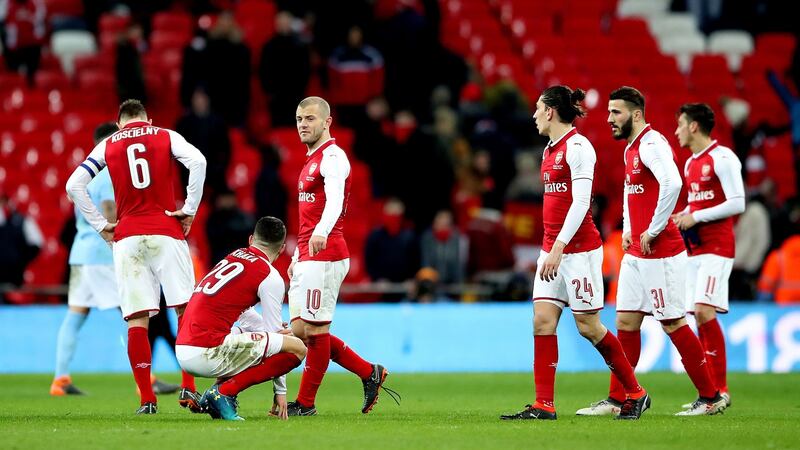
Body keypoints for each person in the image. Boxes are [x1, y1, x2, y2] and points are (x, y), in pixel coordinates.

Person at [500, 86, 649, 421]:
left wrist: (559, 247)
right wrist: (551, 248)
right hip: (552, 250)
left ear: (551, 111)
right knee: (542, 321)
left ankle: (636, 393)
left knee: (588, 326)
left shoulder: (579, 147)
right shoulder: (549, 150)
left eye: (538, 108)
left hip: (578, 252)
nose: (534, 114)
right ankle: (543, 405)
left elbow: (583, 203)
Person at [577, 87, 726, 417]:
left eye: (616, 112)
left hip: (662, 252)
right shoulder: (632, 148)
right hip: (638, 252)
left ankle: (711, 396)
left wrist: (654, 228)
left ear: (637, 114)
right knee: (626, 322)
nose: (609, 119)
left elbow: (673, 183)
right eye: (608, 112)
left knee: (673, 323)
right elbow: (634, 194)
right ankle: (620, 398)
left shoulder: (652, 143)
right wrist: (630, 227)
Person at [65, 99, 207, 414]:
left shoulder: (108, 144)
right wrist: (189, 209)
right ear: (147, 119)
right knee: (185, 311)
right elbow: (198, 161)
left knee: (137, 320)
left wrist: (102, 226)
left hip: (127, 238)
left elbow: (74, 185)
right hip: (166, 229)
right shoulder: (165, 134)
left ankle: (147, 398)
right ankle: (189, 388)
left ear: (119, 124)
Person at [51, 122, 181, 396]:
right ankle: (145, 379)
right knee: (134, 314)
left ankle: (60, 379)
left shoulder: (86, 174)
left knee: (75, 316)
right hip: (102, 256)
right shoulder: (110, 173)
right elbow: (110, 210)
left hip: (81, 255)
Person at [287, 96, 393, 416]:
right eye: (298, 119)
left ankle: (305, 404)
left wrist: (321, 232)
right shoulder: (311, 159)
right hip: (308, 253)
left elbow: (334, 201)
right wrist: (296, 254)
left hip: (327, 252)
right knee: (301, 330)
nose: (303, 125)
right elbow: (306, 214)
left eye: (309, 119)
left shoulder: (333, 157)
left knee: (316, 332)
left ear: (326, 122)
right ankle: (368, 372)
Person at [176, 217, 307, 421]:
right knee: (298, 348)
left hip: (184, 349)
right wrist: (280, 392)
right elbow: (277, 341)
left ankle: (215, 396)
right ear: (281, 249)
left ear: (251, 239)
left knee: (251, 335)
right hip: (206, 351)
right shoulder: (270, 277)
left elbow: (245, 317)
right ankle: (225, 393)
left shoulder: (233, 256)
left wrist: (267, 333)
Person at [672, 103, 745, 409]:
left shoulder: (723, 157)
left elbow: (737, 202)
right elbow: (696, 204)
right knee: (697, 317)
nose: (676, 131)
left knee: (704, 311)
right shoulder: (690, 164)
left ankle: (720, 391)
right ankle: (709, 393)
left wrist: (697, 217)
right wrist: (682, 215)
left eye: (680, 125)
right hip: (695, 249)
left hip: (717, 248)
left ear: (693, 126)